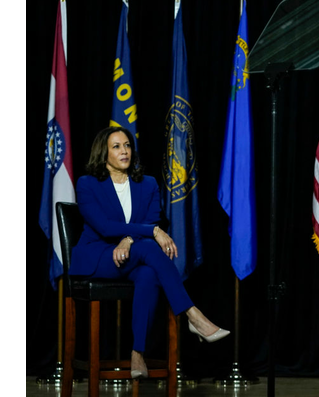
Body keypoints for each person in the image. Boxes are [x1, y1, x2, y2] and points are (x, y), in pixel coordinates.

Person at [70, 126, 230, 379]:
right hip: (97, 256)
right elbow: (103, 226)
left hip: (132, 256)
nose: (125, 151)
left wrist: (130, 239)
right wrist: (151, 231)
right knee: (148, 246)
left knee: (148, 274)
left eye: (127, 145)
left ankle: (137, 352)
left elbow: (150, 219)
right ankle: (193, 314)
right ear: (103, 153)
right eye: (116, 146)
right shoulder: (87, 184)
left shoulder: (148, 184)